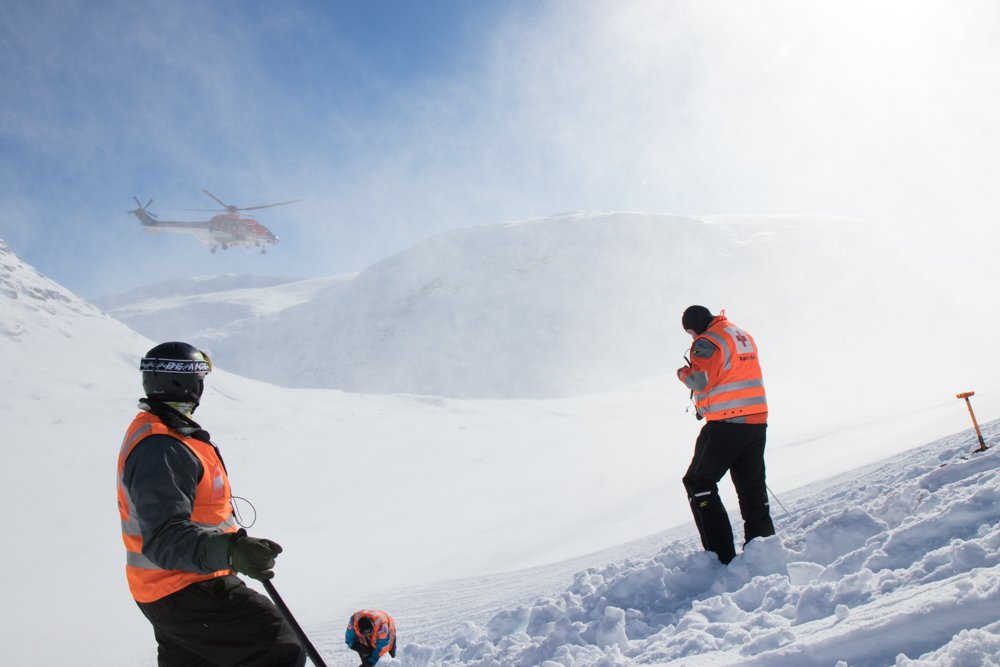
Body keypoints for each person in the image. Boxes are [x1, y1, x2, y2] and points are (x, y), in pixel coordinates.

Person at [116, 341, 306, 666]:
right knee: (279, 647)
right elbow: (164, 537)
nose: (202, 385)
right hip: (186, 586)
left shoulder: (170, 435)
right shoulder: (161, 447)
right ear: (186, 382)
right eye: (200, 377)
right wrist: (231, 550)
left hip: (168, 589)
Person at [676, 306, 775, 564]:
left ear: (694, 326)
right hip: (756, 419)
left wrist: (683, 374)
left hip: (727, 421)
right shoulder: (739, 334)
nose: (691, 336)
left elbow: (700, 380)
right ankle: (763, 548)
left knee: (698, 483)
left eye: (689, 331)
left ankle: (720, 558)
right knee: (751, 486)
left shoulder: (707, 341)